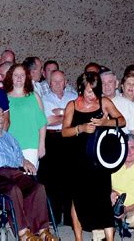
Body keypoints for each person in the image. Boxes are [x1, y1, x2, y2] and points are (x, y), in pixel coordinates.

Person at [0, 105, 57, 241]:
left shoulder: (9, 137)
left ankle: (43, 231)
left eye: (1, 114)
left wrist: (25, 162)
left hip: (14, 172)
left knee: (37, 187)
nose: (0, 117)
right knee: (13, 190)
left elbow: (19, 157)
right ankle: (23, 232)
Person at [61, 72, 125, 241]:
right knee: (78, 199)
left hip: (99, 159)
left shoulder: (104, 102)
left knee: (103, 199)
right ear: (81, 88)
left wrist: (106, 122)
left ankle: (110, 238)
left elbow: (122, 120)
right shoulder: (71, 105)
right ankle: (78, 238)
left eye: (95, 91)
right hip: (77, 159)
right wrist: (80, 128)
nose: (92, 95)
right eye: (89, 91)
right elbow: (64, 132)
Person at [39, 70, 77, 225]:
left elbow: (77, 119)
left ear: (65, 81)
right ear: (49, 83)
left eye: (60, 81)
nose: (57, 84)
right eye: (54, 81)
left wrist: (59, 115)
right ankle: (53, 216)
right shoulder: (43, 99)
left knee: (70, 178)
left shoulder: (73, 97)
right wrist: (67, 115)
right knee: (52, 180)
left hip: (70, 139)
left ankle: (70, 218)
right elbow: (47, 121)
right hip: (52, 139)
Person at [3, 63, 47, 168]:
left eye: (22, 75)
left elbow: (42, 123)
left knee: (28, 181)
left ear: (26, 77)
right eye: (16, 75)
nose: (19, 78)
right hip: (10, 145)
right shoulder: (3, 97)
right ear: (11, 77)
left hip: (30, 145)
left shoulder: (34, 96)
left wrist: (41, 145)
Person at [100, 69, 134, 135]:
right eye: (103, 83)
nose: (106, 85)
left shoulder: (129, 105)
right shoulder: (94, 103)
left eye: (110, 82)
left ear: (116, 84)